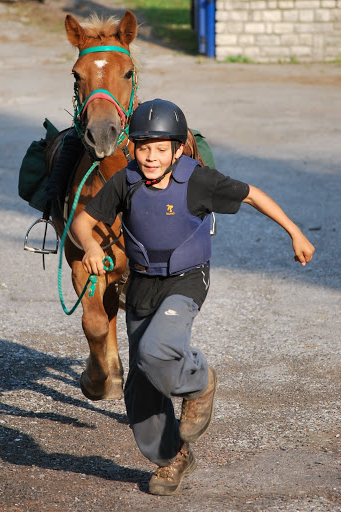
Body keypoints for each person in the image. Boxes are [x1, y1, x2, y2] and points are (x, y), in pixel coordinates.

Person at [71, 99, 315, 496]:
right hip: (142, 283)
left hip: (186, 280)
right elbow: (84, 220)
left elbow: (252, 195)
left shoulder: (198, 181)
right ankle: (173, 458)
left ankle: (200, 383)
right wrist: (91, 248)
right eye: (143, 147)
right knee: (140, 387)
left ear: (178, 149)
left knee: (156, 349)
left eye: (161, 149)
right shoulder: (126, 180)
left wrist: (295, 232)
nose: (151, 157)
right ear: (131, 147)